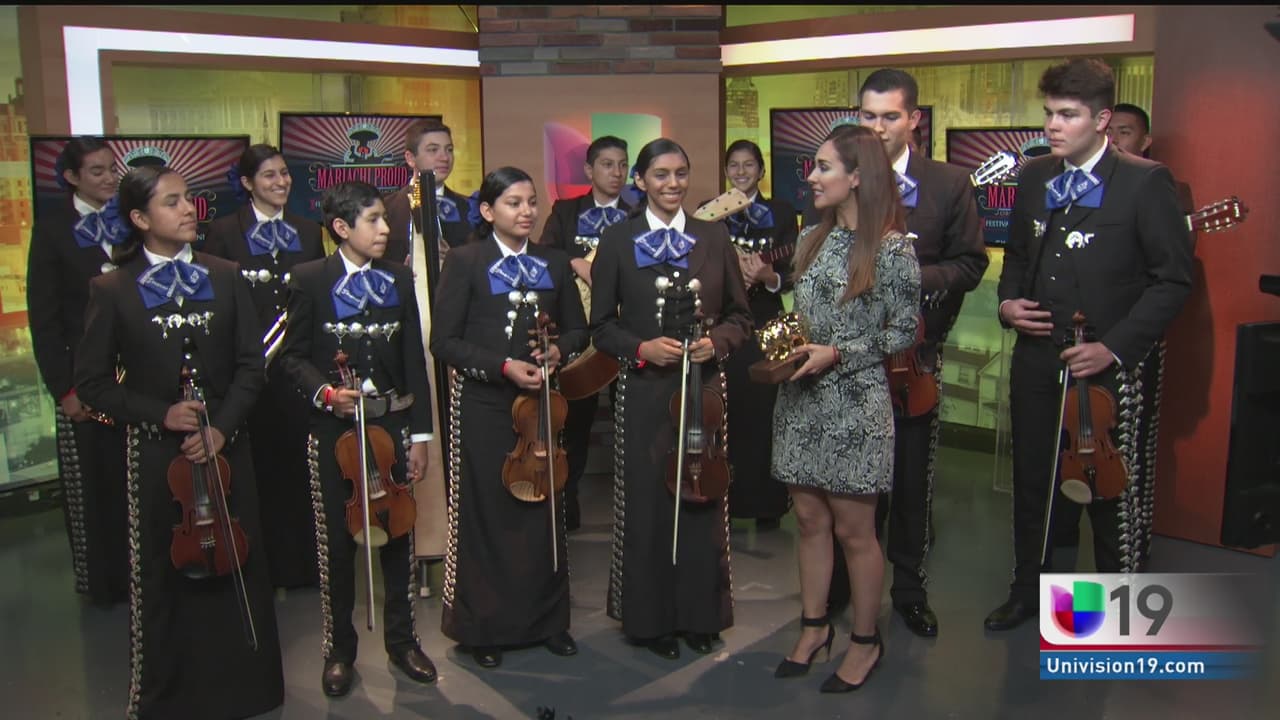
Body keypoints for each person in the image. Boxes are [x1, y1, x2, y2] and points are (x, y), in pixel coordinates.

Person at [987, 58, 1193, 631]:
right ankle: (1029, 591)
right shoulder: (1034, 176)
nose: (1053, 125)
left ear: (1102, 120)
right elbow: (1016, 258)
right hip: (1037, 360)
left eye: (1068, 115)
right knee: (1035, 482)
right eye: (1049, 113)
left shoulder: (1145, 182)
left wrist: (1116, 347)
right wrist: (1007, 305)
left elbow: (1173, 281)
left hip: (1107, 369)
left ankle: (1114, 616)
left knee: (1108, 496)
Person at [75, 166, 284, 719]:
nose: (188, 209)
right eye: (172, 202)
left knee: (239, 565)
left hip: (227, 450)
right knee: (165, 575)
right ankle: (171, 698)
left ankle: (249, 689)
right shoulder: (112, 289)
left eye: (188, 199)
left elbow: (252, 366)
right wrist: (161, 414)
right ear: (140, 218)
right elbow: (92, 383)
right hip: (157, 458)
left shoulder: (226, 275)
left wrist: (221, 428)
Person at [825, 69, 989, 638]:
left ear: (914, 119)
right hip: (846, 358)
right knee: (849, 477)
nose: (877, 127)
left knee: (911, 479)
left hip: (911, 360)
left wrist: (907, 275)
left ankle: (910, 592)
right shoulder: (839, 175)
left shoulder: (948, 183)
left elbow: (970, 264)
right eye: (868, 116)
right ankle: (843, 584)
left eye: (890, 116)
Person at [771, 124, 921, 693]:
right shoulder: (813, 238)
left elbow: (904, 332)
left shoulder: (893, 250)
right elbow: (804, 316)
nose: (811, 176)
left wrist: (838, 352)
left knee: (856, 532)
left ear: (858, 177)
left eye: (824, 167)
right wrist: (781, 348)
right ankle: (814, 628)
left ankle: (864, 639)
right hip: (800, 401)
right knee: (809, 521)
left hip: (855, 405)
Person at [589, 138, 753, 660]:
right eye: (660, 174)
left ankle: (701, 616)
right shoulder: (618, 240)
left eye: (681, 173)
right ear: (640, 181)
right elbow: (600, 327)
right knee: (649, 506)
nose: (673, 183)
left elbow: (741, 316)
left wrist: (716, 342)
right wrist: (640, 348)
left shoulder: (713, 235)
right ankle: (650, 620)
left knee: (702, 498)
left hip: (702, 391)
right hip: (645, 393)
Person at [277, 181, 437, 695]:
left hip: (391, 427)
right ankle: (339, 651)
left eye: (385, 218)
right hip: (334, 432)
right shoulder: (309, 279)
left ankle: (403, 642)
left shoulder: (399, 278)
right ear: (342, 228)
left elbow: (414, 361)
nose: (385, 229)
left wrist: (421, 435)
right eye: (373, 220)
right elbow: (292, 357)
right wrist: (326, 394)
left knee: (399, 536)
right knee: (337, 545)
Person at [430, 166, 587, 669]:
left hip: (542, 406)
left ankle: (548, 622)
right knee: (490, 515)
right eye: (514, 203)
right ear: (487, 210)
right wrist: (502, 366)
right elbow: (444, 342)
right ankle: (485, 628)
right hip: (486, 406)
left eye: (531, 202)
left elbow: (579, 331)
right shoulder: (466, 261)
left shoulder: (553, 261)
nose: (526, 212)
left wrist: (559, 351)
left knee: (543, 512)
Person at [204, 143, 326, 589]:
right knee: (258, 473)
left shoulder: (307, 230)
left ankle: (305, 566)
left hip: (296, 372)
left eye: (284, 174)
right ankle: (262, 568)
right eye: (269, 175)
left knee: (300, 470)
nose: (281, 182)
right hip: (249, 374)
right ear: (247, 183)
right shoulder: (224, 232)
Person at [26, 137, 129, 607]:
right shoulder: (53, 231)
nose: (109, 178)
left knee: (134, 478)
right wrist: (64, 389)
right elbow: (44, 320)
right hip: (82, 380)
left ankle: (144, 572)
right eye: (96, 171)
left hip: (134, 376)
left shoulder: (131, 221)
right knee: (91, 485)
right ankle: (102, 583)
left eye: (111, 169)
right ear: (71, 177)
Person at [701, 139, 797, 530]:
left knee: (768, 411)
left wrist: (768, 276)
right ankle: (723, 501)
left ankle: (767, 506)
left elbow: (794, 271)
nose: (741, 172)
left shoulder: (782, 212)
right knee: (726, 411)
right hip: (724, 324)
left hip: (768, 322)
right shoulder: (711, 211)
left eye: (749, 165)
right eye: (734, 166)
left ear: (761, 171)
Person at [538, 135, 631, 531]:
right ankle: (566, 504)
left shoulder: (638, 213)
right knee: (574, 421)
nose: (617, 172)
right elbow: (543, 255)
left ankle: (634, 509)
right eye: (608, 164)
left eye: (623, 164)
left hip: (626, 330)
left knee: (633, 422)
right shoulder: (566, 211)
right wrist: (575, 262)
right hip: (578, 331)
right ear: (589, 170)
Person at [384, 119, 472, 264]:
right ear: (410, 158)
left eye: (449, 150)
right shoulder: (386, 209)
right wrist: (399, 271)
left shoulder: (470, 209)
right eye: (433, 150)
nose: (445, 158)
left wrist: (455, 262)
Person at [1107, 102, 1194, 213]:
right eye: (1107, 132)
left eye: (1124, 132)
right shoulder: (1086, 183)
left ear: (1145, 142)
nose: (1113, 140)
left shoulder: (1170, 190)